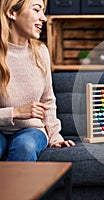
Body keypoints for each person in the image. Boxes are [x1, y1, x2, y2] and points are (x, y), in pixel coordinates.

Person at [0, 0, 75, 161]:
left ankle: (17, 187)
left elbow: (48, 100)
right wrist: (15, 112)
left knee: (25, 146)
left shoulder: (41, 52)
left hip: (32, 130)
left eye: (43, 11)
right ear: (12, 12)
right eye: (36, 10)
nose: (44, 18)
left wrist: (55, 137)